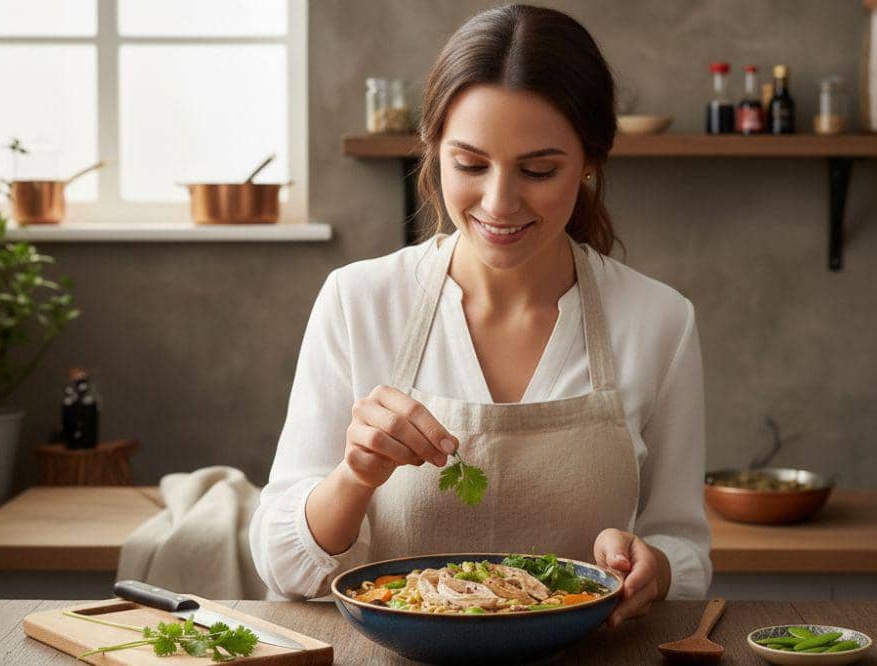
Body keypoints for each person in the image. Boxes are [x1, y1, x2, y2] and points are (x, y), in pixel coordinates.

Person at [250, 4, 710, 627]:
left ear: (591, 163)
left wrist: (653, 565)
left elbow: (683, 545)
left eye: (539, 169)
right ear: (433, 151)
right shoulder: (358, 301)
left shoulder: (659, 321)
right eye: (470, 164)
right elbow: (284, 568)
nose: (499, 202)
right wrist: (356, 474)